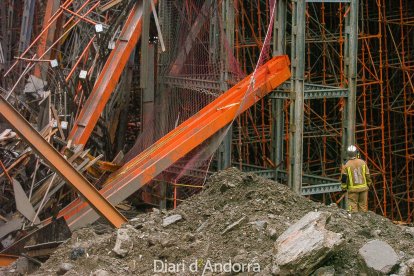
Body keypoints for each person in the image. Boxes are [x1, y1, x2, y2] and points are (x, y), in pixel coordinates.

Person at [341, 145, 372, 212]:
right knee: (363, 207)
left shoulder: (346, 165)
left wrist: (344, 188)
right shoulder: (363, 162)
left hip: (352, 190)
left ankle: (355, 221)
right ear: (356, 153)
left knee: (353, 208)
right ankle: (363, 221)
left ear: (348, 154)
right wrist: (369, 184)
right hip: (363, 188)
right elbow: (367, 175)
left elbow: (344, 179)